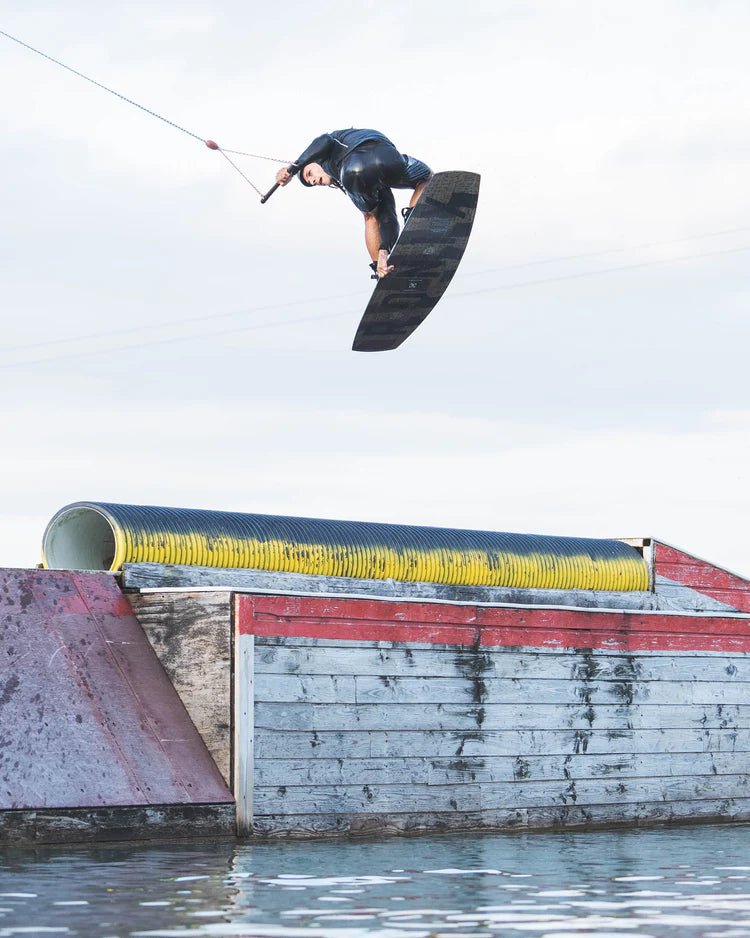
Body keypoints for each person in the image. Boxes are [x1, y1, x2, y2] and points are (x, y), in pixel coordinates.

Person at [274, 128, 432, 278]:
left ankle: (381, 265)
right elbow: (387, 216)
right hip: (388, 159)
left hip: (356, 166)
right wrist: (384, 250)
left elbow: (324, 140)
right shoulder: (337, 175)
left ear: (314, 161)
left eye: (310, 174)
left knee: (370, 217)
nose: (314, 180)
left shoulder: (329, 148)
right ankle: (382, 261)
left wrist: (292, 169)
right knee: (424, 179)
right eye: (311, 183)